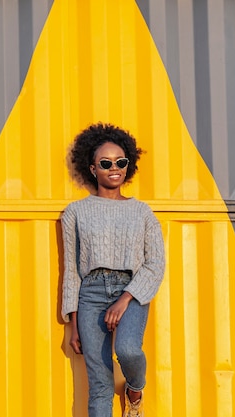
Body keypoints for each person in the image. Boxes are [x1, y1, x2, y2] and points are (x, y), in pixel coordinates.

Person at [61, 123, 165, 417]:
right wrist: (74, 323)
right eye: (105, 163)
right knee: (100, 385)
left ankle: (135, 390)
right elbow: (71, 271)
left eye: (121, 162)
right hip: (90, 294)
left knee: (129, 350)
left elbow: (155, 263)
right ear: (93, 169)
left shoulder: (142, 211)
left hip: (130, 290)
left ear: (128, 165)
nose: (114, 168)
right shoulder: (75, 212)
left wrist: (125, 299)